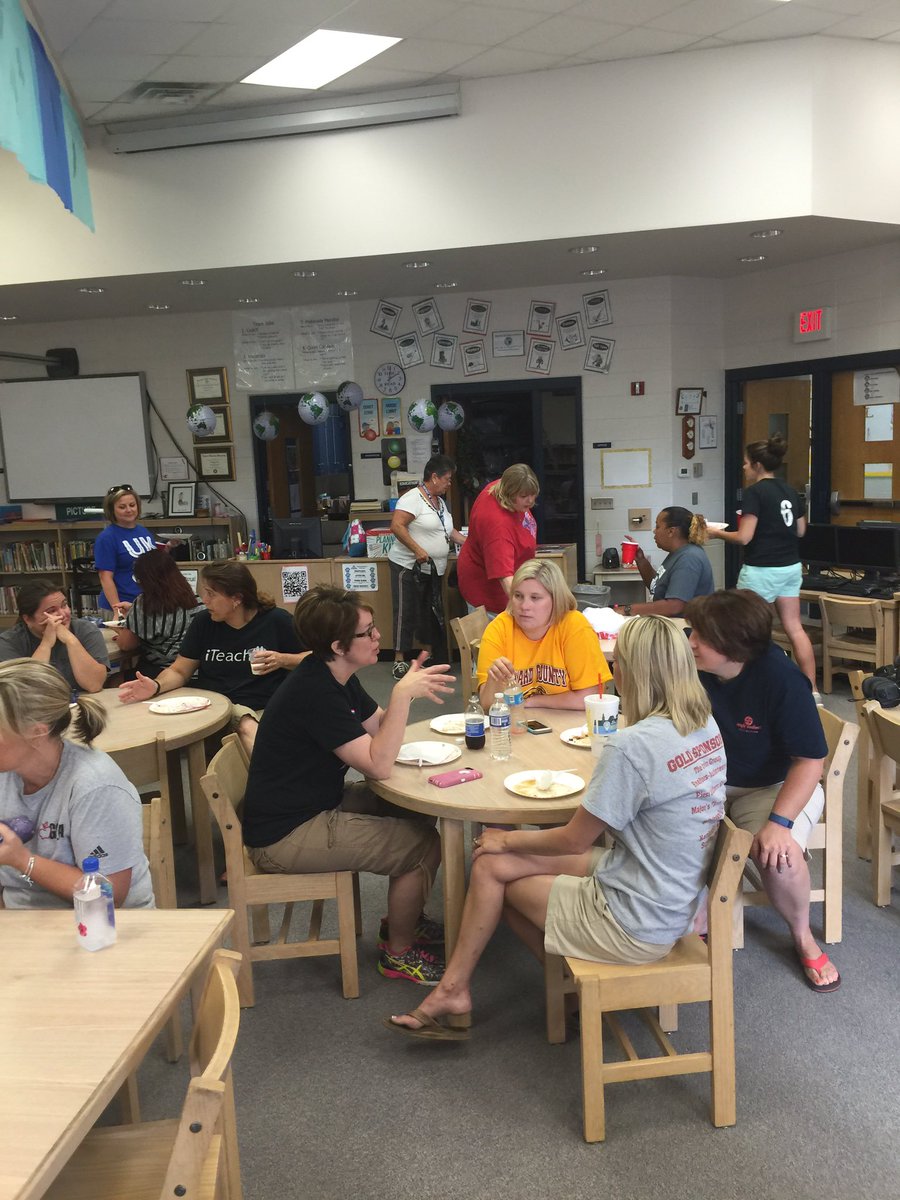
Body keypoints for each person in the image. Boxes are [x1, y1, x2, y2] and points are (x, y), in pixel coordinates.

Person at [385, 615, 726, 1038]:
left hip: (638, 917)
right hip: (673, 891)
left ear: (630, 672)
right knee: (493, 867)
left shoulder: (633, 746)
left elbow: (574, 837)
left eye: (617, 663)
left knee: (496, 874)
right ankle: (457, 989)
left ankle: (535, 986)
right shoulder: (703, 724)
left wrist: (506, 837)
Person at [241, 586, 455, 985]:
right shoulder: (315, 692)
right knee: (421, 846)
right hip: (284, 835)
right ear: (339, 645)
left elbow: (378, 727)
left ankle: (404, 919)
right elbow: (378, 765)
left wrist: (404, 695)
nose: (378, 638)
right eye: (368, 633)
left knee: (419, 809)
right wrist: (403, 695)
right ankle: (398, 952)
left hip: (313, 805)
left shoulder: (335, 675)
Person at [684, 588, 838, 993]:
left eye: (702, 636)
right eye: (693, 631)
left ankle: (803, 936)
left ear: (736, 648)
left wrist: (780, 822)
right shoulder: (694, 666)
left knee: (779, 857)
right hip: (707, 780)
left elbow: (809, 761)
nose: (691, 641)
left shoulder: (782, 681)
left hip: (772, 785)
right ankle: (691, 919)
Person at [0, 658, 154, 909]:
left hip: (104, 930)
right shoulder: (6, 771)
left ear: (37, 732)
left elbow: (110, 893)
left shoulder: (94, 784)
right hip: (25, 926)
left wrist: (22, 860)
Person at [118, 561, 303, 756]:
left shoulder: (276, 621)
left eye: (211, 594)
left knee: (257, 727)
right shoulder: (203, 623)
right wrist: (156, 685)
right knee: (244, 723)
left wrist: (282, 659)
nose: (204, 600)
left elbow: (314, 657)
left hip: (267, 707)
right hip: (219, 708)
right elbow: (180, 670)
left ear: (236, 598)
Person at [705, 436, 817, 691]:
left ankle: (753, 686)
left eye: (746, 464)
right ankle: (812, 690)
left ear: (757, 465)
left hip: (761, 570)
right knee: (794, 628)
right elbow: (800, 530)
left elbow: (745, 537)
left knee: (747, 629)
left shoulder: (754, 493)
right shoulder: (789, 489)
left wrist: (715, 533)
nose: (743, 468)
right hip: (790, 567)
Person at [476, 559, 611, 709]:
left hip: (569, 725)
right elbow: (487, 705)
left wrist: (533, 702)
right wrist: (494, 681)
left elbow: (590, 697)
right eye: (518, 596)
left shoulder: (574, 626)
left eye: (535, 598)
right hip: (517, 725)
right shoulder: (499, 628)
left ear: (556, 599)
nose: (524, 606)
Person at [388, 454, 466, 681]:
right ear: (434, 477)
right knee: (405, 610)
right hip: (408, 565)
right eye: (447, 479)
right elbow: (397, 526)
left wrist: (471, 544)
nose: (449, 484)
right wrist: (417, 549)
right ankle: (399, 660)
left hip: (434, 568)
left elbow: (449, 532)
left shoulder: (440, 502)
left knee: (430, 612)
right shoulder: (412, 498)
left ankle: (430, 654)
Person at [456, 463, 540, 617]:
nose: (530, 501)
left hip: (516, 576)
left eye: (533, 494)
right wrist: (526, 609)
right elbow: (505, 578)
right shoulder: (497, 526)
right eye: (523, 496)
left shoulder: (501, 486)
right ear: (509, 493)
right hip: (489, 592)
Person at [0, 579, 108, 693]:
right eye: (51, 611)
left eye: (64, 605)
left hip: (82, 702)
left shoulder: (86, 630)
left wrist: (70, 640)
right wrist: (46, 644)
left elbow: (94, 685)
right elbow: (27, 691)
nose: (63, 614)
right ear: (28, 619)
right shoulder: (9, 642)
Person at [114, 549, 205, 678]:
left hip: (163, 671)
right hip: (196, 671)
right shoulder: (196, 600)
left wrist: (131, 616)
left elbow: (126, 645)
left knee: (111, 681)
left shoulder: (145, 604)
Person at [623, 507, 714, 617]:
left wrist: (628, 609)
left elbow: (674, 606)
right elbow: (656, 586)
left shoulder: (689, 558)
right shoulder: (678, 553)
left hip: (686, 630)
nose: (654, 531)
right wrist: (641, 560)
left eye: (657, 526)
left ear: (671, 531)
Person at [93, 484, 157, 616]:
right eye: (122, 507)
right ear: (112, 510)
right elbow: (105, 578)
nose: (129, 510)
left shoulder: (143, 530)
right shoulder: (106, 538)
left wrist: (166, 548)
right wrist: (117, 609)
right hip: (122, 603)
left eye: (132, 505)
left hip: (146, 601)